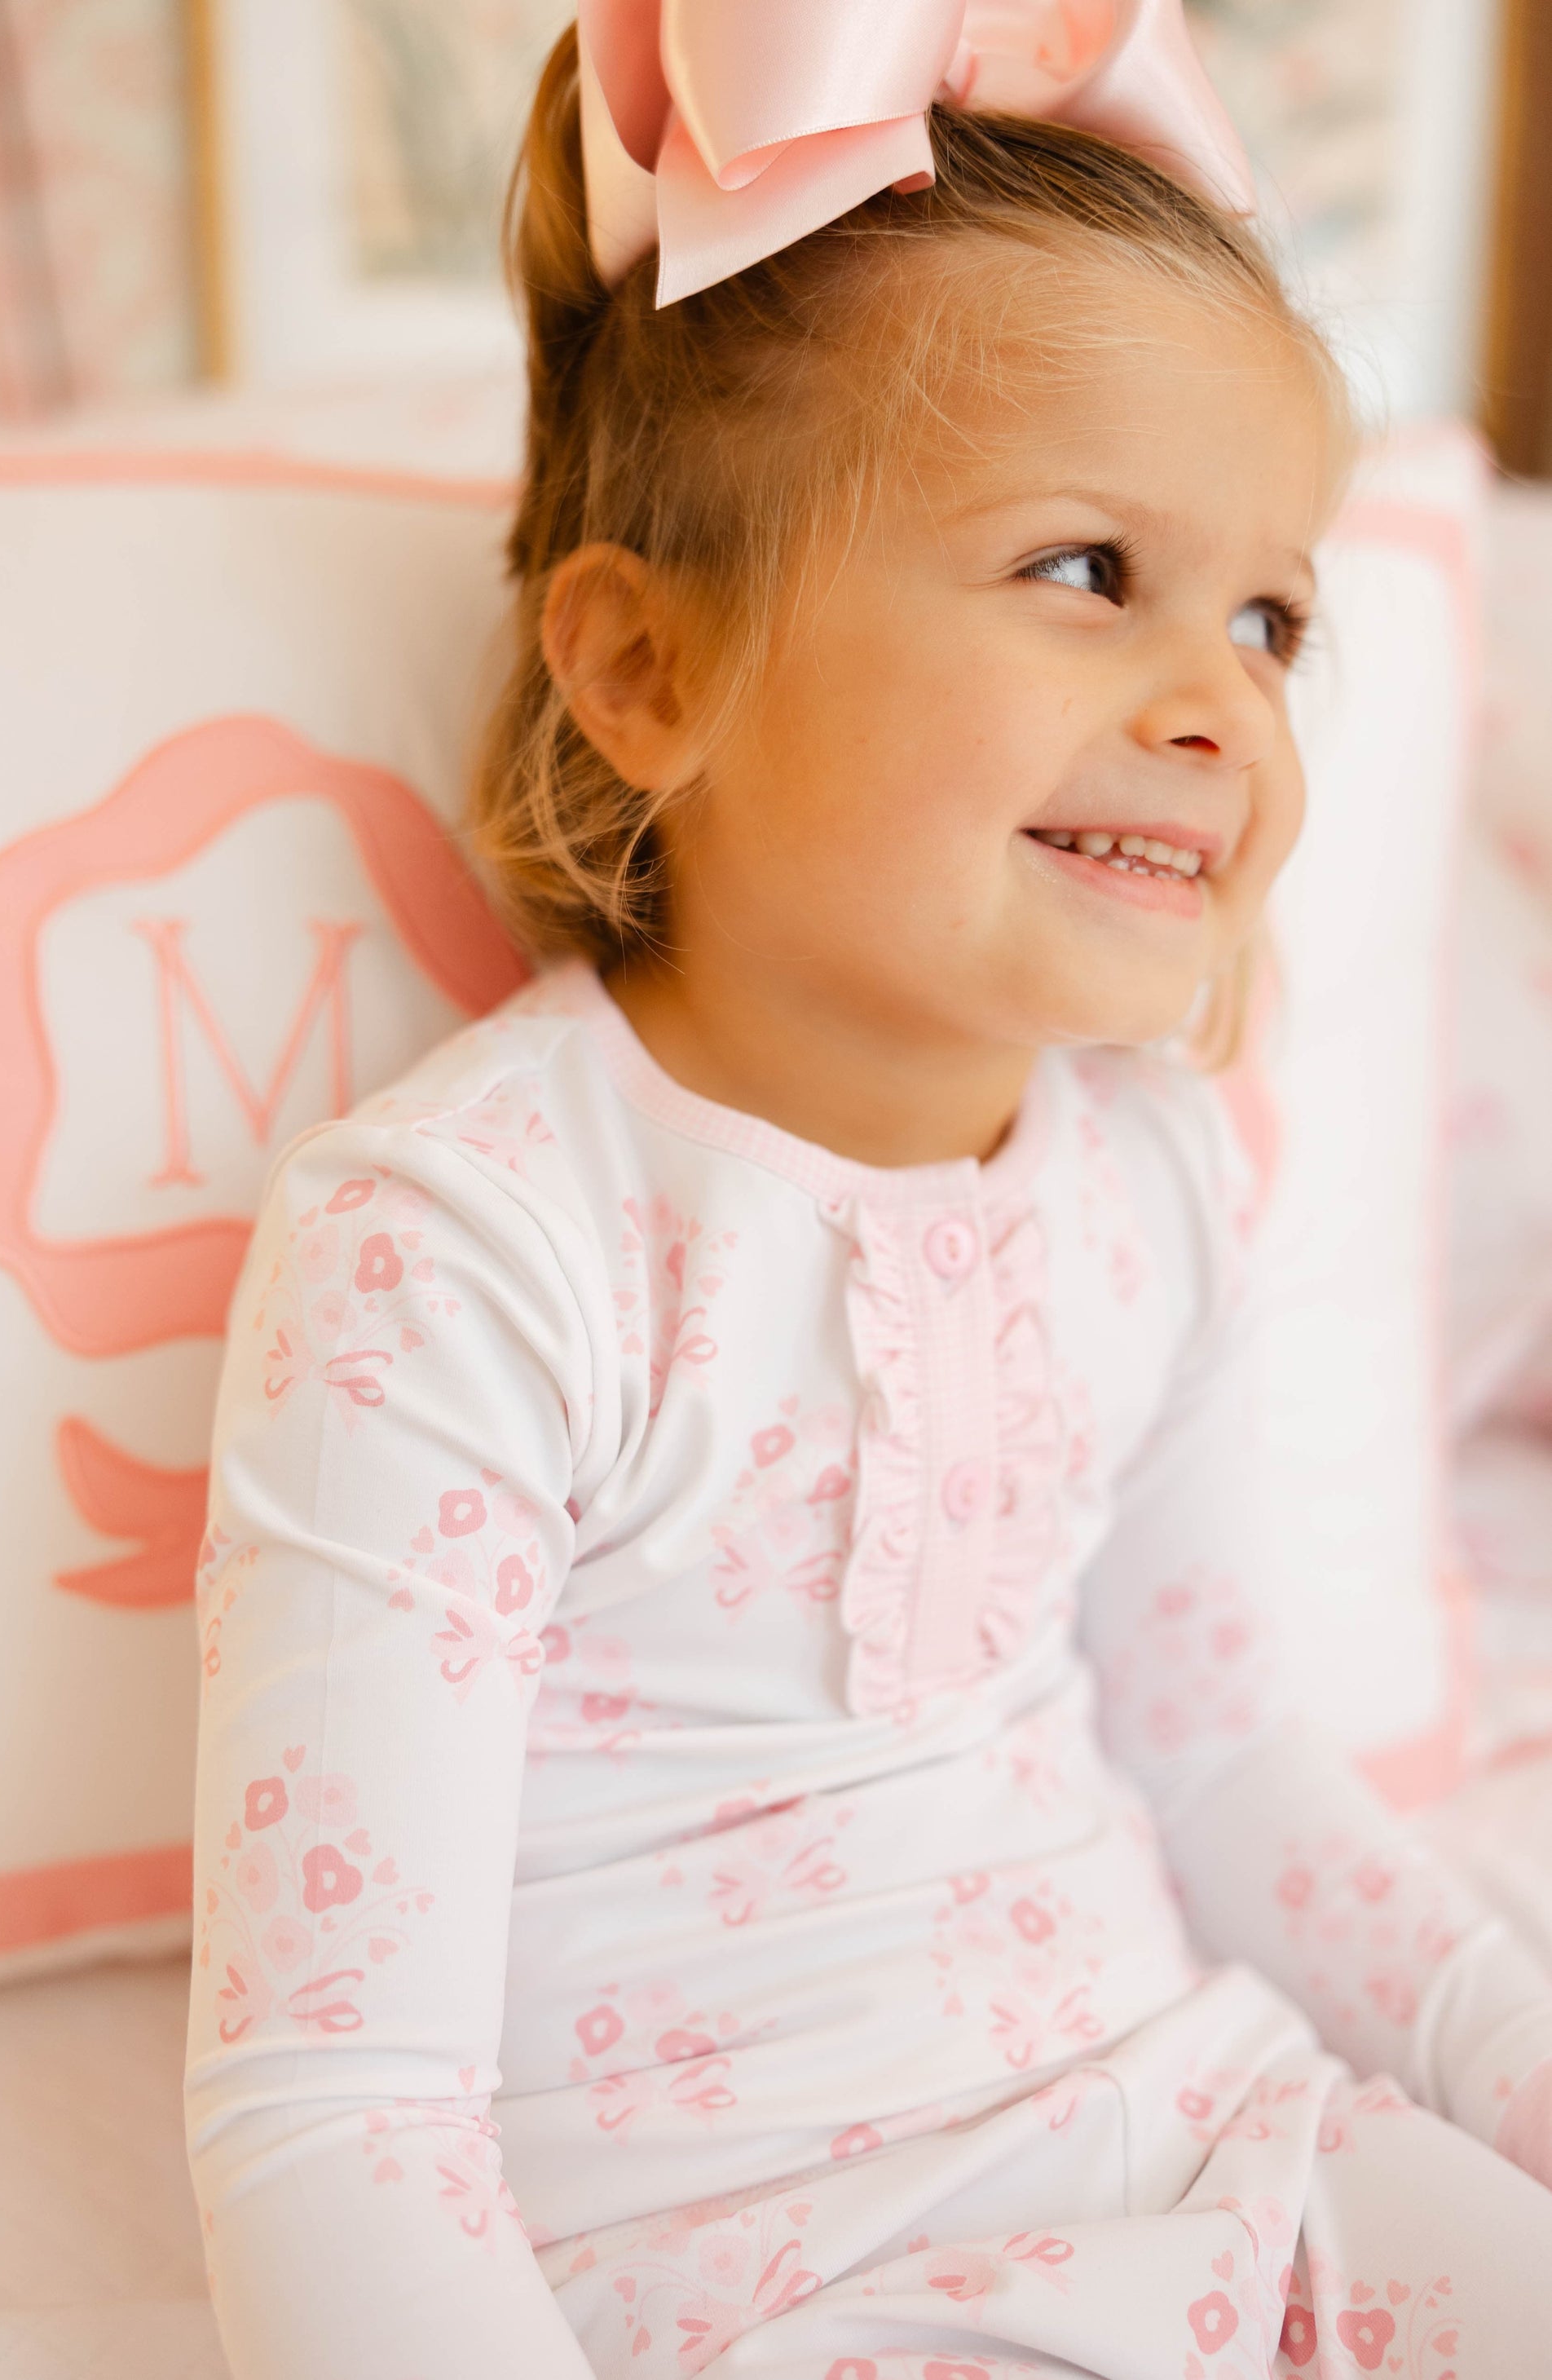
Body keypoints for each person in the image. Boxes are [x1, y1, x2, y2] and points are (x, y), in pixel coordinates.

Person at [183, 7, 1552, 2373]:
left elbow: (1219, 1756)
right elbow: (336, 2102)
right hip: (772, 2282)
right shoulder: (469, 1246)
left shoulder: (1142, 1186)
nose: (1226, 701)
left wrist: (1497, 2067)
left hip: (1213, 2141)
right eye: (1083, 566)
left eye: (1266, 616)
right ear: (644, 663)